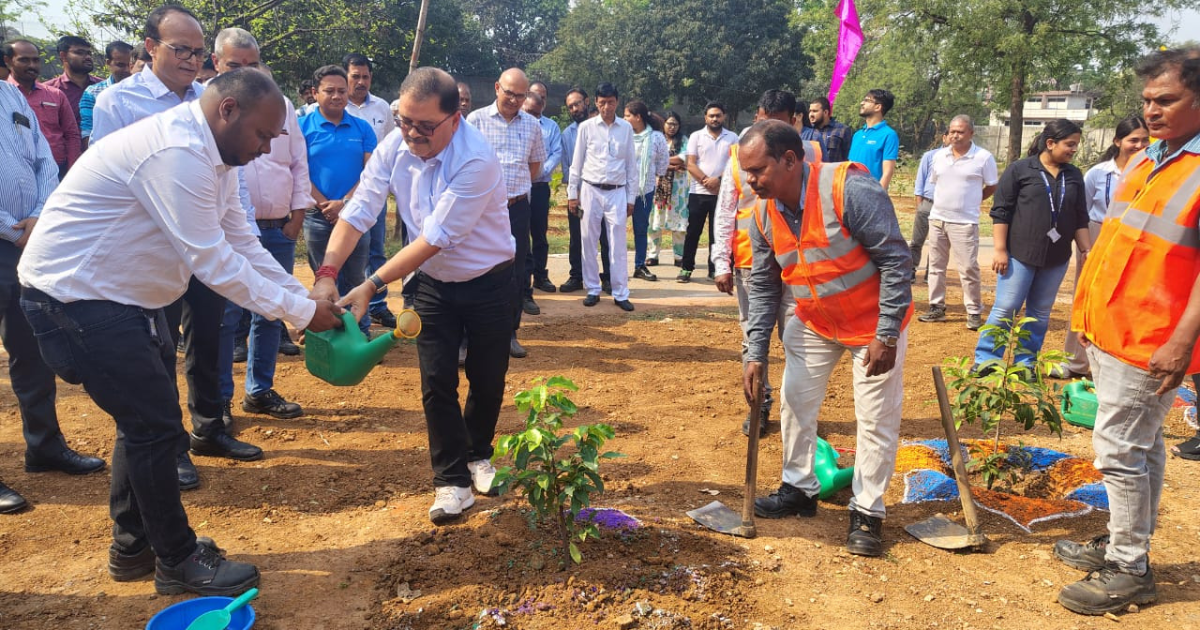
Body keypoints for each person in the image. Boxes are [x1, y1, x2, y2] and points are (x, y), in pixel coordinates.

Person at [18, 68, 343, 595]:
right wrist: (299, 314)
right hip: (77, 299)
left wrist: (300, 293)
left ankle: (133, 546)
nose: (265, 149)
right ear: (228, 110)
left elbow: (239, 237)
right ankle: (176, 561)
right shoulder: (177, 152)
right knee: (156, 427)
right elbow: (212, 261)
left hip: (119, 297)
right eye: (262, 134)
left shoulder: (216, 155)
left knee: (142, 422)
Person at [311, 66, 515, 524]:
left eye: (425, 126)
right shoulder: (395, 145)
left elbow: (433, 238)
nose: (412, 134)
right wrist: (328, 273)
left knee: (487, 377)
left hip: (489, 281)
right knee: (436, 379)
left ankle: (478, 454)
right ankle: (451, 482)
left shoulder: (475, 160)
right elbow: (361, 208)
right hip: (431, 285)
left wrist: (369, 284)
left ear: (455, 118)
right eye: (405, 121)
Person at [1054, 46, 1200, 616]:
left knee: (1119, 451)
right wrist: (1087, 321)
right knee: (1143, 448)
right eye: (1146, 101)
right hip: (1111, 330)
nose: (1152, 111)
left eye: (1166, 100)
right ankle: (1123, 540)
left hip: (1152, 340)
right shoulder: (1147, 161)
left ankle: (1129, 568)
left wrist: (1182, 341)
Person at [93, 5, 264, 486]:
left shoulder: (211, 98)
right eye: (180, 49)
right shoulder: (118, 101)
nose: (191, 60)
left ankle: (209, 428)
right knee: (159, 347)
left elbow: (233, 178)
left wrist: (243, 231)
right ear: (150, 47)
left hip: (207, 240)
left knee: (208, 338)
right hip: (156, 251)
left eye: (196, 51)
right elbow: (118, 180)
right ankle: (169, 448)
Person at [741, 120, 913, 557]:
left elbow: (896, 262)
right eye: (746, 172)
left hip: (873, 326)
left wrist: (887, 334)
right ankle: (799, 489)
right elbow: (763, 286)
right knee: (795, 401)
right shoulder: (761, 212)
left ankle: (868, 513)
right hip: (816, 321)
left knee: (874, 418)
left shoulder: (848, 189)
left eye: (758, 170)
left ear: (790, 160)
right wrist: (754, 353)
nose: (750, 180)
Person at [0, 80, 106, 516]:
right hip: (13, 234)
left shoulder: (10, 97)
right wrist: (11, 225)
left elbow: (44, 157)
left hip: (27, 244)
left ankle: (44, 446)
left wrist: (40, 216)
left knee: (32, 352)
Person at [210, 28, 312, 422]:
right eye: (237, 66)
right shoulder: (217, 114)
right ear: (217, 63)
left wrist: (298, 215)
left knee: (268, 313)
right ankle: (218, 401)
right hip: (229, 231)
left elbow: (299, 162)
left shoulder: (283, 107)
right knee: (227, 316)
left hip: (277, 227)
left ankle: (259, 389)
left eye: (253, 66)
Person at [713, 90, 815, 437]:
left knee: (798, 337)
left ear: (793, 121)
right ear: (757, 117)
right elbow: (726, 210)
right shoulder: (738, 156)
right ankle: (760, 407)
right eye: (765, 119)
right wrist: (720, 261)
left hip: (797, 262)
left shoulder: (808, 153)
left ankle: (798, 411)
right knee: (753, 338)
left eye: (780, 121)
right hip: (748, 261)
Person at [972, 118, 1090, 375]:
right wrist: (1000, 250)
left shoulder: (1073, 175)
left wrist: (1086, 250)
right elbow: (1001, 211)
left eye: (1075, 145)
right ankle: (986, 360)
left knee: (1039, 313)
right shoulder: (1020, 170)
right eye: (1069, 144)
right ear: (1050, 143)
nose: (1073, 150)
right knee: (1006, 307)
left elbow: (1081, 216)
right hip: (1019, 254)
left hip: (1056, 257)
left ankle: (1025, 363)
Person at [1049, 114, 1149, 379]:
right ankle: (1075, 363)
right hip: (1097, 235)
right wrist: (1085, 246)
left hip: (1136, 240)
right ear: (1117, 141)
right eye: (1133, 140)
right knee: (1085, 299)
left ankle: (1116, 367)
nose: (1139, 145)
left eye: (1145, 140)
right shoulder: (1098, 173)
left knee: (1125, 302)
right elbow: (1081, 211)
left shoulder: (1155, 172)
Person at [467, 68, 547, 357]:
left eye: (520, 95)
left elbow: (535, 165)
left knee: (514, 272)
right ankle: (468, 337)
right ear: (497, 87)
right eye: (509, 93)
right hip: (480, 210)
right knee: (474, 269)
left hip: (516, 209)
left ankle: (509, 333)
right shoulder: (475, 121)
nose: (514, 100)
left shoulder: (532, 126)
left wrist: (514, 188)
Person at [299, 64, 377, 334]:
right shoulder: (301, 127)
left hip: (354, 215)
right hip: (316, 216)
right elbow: (298, 170)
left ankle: (360, 333)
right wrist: (324, 204)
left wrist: (344, 202)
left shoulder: (362, 128)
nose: (337, 96)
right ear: (315, 92)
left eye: (341, 91)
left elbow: (370, 173)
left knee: (356, 277)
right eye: (329, 91)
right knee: (323, 277)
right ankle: (326, 334)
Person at [916, 115, 998, 331]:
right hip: (938, 219)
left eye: (960, 131)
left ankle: (973, 311)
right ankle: (936, 307)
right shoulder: (939, 156)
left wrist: (973, 200)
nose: (955, 135)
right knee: (935, 266)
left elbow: (992, 186)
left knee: (968, 268)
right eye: (952, 131)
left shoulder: (983, 157)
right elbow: (936, 183)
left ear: (971, 133)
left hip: (964, 222)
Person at [567, 82, 638, 311]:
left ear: (617, 102)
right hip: (590, 189)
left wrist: (631, 198)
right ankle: (593, 289)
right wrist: (572, 194)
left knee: (617, 243)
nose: (607, 106)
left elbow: (631, 166)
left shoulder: (626, 128)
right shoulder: (587, 128)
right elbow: (576, 163)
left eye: (611, 102)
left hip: (616, 191)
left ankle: (620, 292)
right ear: (595, 103)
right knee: (588, 240)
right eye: (602, 102)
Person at [343, 53, 400, 330]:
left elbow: (390, 147)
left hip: (375, 193)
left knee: (375, 252)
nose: (361, 81)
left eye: (366, 76)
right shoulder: (336, 107)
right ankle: (343, 307)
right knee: (347, 253)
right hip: (341, 194)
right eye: (356, 76)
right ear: (346, 76)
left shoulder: (382, 108)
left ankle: (377, 305)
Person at [4, 39, 82, 178]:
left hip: (58, 169)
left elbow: (71, 134)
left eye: (35, 60)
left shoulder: (55, 95)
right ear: (8, 61)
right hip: (16, 173)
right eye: (24, 60)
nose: (31, 65)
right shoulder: (3, 96)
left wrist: (72, 170)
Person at [560, 87, 611, 293]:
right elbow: (567, 166)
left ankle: (608, 277)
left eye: (577, 103)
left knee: (605, 238)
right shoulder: (567, 134)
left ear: (587, 101)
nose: (574, 108)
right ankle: (576, 276)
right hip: (579, 197)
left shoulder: (605, 128)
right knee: (577, 238)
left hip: (603, 195)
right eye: (570, 106)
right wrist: (574, 195)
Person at [680, 101, 738, 282]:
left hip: (723, 193)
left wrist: (719, 181)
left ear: (724, 117)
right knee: (693, 232)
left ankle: (715, 269)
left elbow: (735, 163)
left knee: (719, 232)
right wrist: (706, 181)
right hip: (698, 192)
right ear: (705, 117)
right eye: (711, 115)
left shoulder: (733, 137)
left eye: (718, 115)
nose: (714, 118)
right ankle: (686, 269)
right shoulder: (696, 136)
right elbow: (690, 163)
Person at [522, 90, 563, 302]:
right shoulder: (516, 125)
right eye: (530, 112)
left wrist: (540, 170)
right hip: (518, 189)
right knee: (519, 235)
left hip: (538, 186)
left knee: (539, 234)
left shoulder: (551, 127)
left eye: (537, 114)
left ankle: (540, 275)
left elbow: (557, 152)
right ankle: (522, 282)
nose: (534, 118)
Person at [623, 100, 668, 282]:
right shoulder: (623, 135)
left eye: (627, 115)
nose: (624, 119)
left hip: (644, 190)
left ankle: (639, 265)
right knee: (616, 229)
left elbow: (663, 163)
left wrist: (651, 175)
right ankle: (615, 268)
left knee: (641, 229)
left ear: (638, 117)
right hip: (622, 189)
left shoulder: (656, 137)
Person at [648, 111, 689, 267]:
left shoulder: (684, 140)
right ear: (663, 123)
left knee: (679, 225)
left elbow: (683, 158)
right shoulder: (656, 138)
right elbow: (651, 158)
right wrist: (672, 165)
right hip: (657, 187)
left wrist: (662, 162)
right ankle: (653, 255)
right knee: (654, 223)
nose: (672, 127)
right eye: (669, 123)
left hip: (678, 190)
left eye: (675, 124)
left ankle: (679, 256)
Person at [79, 41, 134, 148]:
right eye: (121, 65)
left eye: (130, 65)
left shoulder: (143, 91)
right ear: (108, 63)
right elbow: (87, 131)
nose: (128, 70)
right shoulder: (93, 93)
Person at [909, 132, 948, 282]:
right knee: (916, 241)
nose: (953, 138)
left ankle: (930, 273)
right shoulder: (930, 156)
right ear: (944, 137)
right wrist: (920, 205)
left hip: (944, 206)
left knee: (937, 242)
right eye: (950, 134)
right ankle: (911, 270)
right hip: (927, 203)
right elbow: (920, 181)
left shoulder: (960, 160)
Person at [847, 89, 899, 189]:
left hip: (870, 194)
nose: (862, 103)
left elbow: (887, 172)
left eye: (867, 100)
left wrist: (878, 196)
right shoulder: (857, 135)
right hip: (850, 193)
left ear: (878, 107)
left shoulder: (889, 135)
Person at [45, 35, 101, 128]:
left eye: (89, 53)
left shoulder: (103, 87)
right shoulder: (48, 91)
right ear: (63, 56)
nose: (87, 57)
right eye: (80, 53)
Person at [808, 96, 852, 163]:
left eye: (815, 111)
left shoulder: (842, 130)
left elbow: (847, 158)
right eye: (810, 111)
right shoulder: (808, 131)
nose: (811, 114)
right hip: (812, 172)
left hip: (834, 172)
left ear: (825, 112)